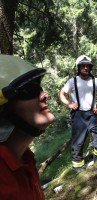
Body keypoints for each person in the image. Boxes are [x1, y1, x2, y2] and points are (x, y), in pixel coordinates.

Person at [0, 55, 55, 199]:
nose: (45, 95)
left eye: (40, 88)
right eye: (28, 91)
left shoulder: (25, 158)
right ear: (2, 110)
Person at [59, 55, 97, 172]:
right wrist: (69, 104)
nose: (85, 68)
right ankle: (78, 166)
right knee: (78, 141)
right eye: (83, 66)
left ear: (90, 68)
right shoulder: (72, 81)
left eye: (87, 66)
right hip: (78, 115)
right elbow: (61, 94)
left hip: (92, 114)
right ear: (78, 67)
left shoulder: (95, 81)